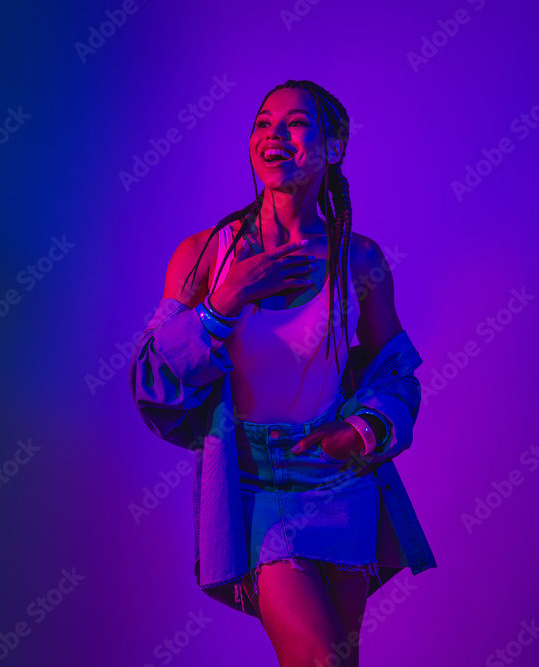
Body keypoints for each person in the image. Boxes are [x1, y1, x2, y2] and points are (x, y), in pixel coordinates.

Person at [129, 80, 436, 667]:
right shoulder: (205, 255)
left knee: (337, 661)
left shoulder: (359, 259)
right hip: (254, 483)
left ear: (335, 147)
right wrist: (224, 302)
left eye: (295, 123)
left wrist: (362, 431)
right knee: (320, 659)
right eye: (263, 123)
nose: (274, 135)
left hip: (341, 480)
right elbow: (152, 378)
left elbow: (397, 374)